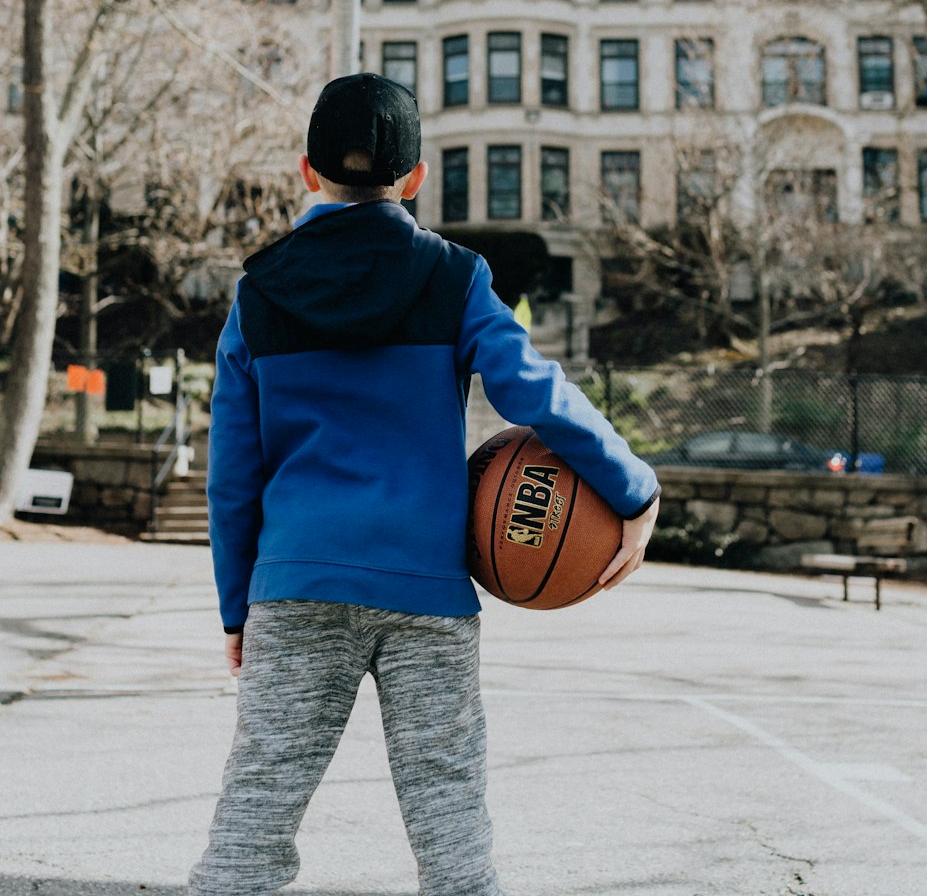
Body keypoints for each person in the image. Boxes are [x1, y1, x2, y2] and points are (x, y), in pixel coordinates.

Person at [188, 73, 661, 896]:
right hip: (427, 592)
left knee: (256, 806)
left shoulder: (257, 292)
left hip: (297, 582)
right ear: (414, 178)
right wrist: (632, 488)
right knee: (449, 813)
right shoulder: (452, 275)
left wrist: (238, 606)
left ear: (307, 171)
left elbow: (232, 474)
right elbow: (534, 391)